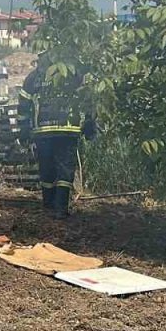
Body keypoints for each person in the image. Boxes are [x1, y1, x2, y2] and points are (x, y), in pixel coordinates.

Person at [17, 51, 97, 219]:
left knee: (47, 169)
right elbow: (88, 99)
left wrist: (24, 130)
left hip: (43, 132)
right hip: (68, 130)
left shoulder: (34, 77)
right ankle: (60, 209)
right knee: (65, 170)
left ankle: (48, 206)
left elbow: (23, 105)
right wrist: (89, 124)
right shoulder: (74, 73)